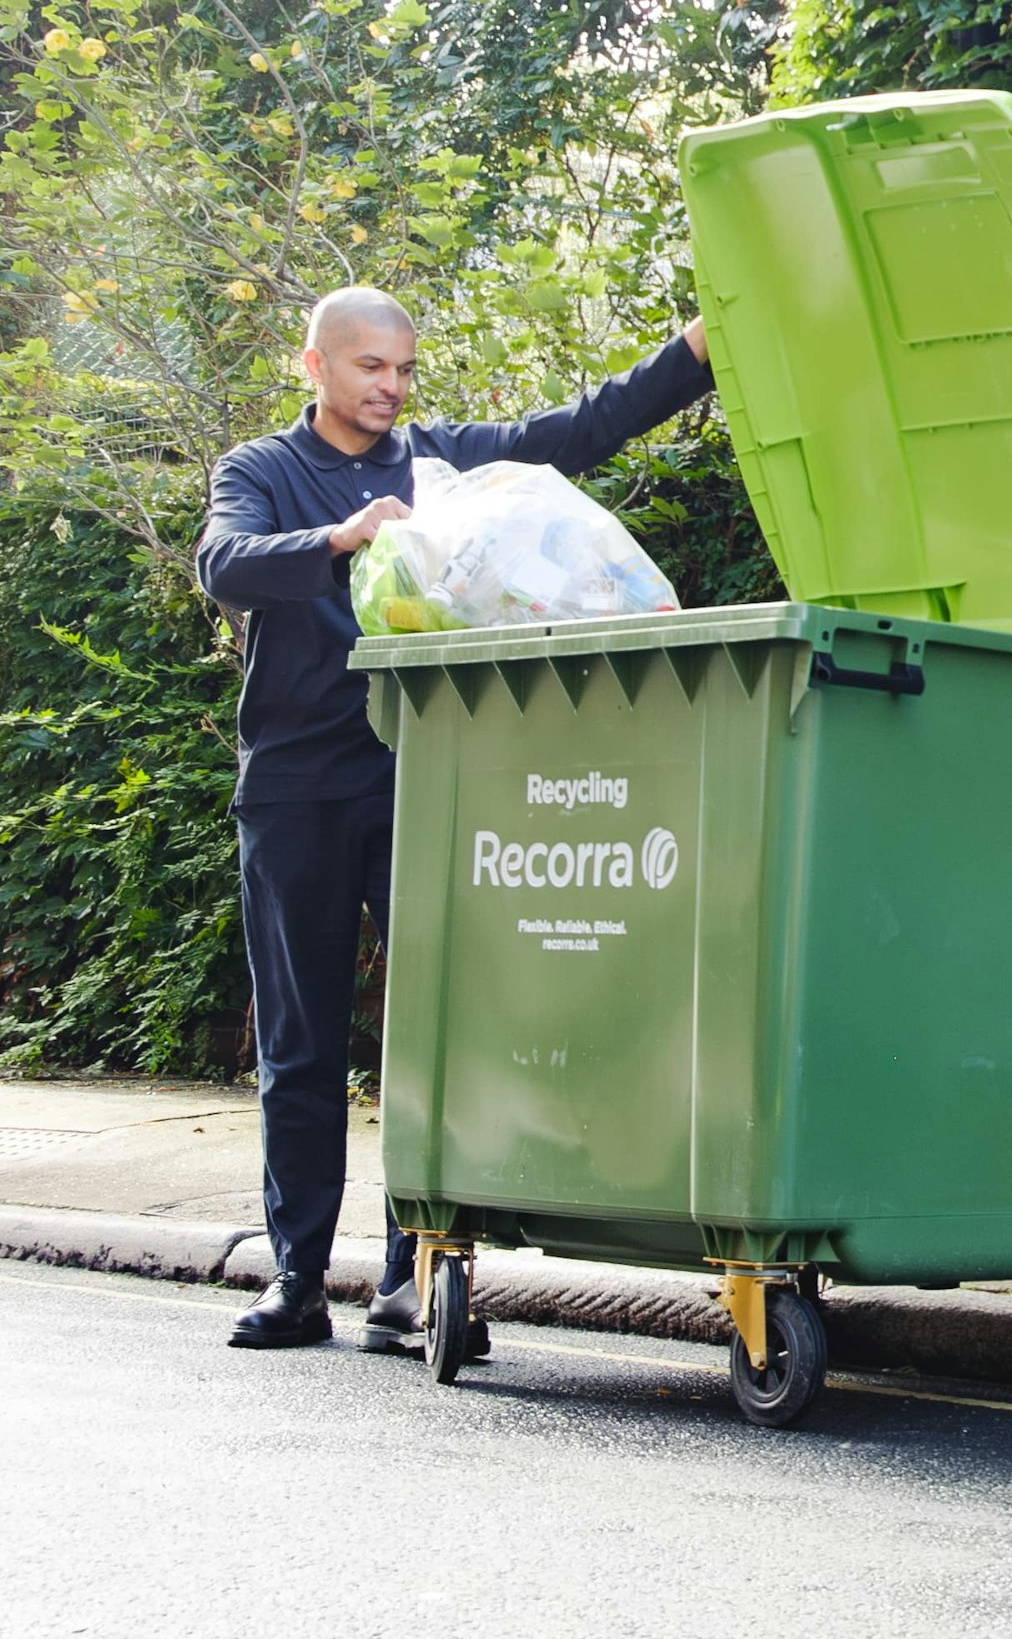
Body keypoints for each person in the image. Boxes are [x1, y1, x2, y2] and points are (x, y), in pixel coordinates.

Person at [194, 287, 716, 1348]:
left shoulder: (441, 467)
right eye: (366, 368)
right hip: (295, 788)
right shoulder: (260, 471)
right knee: (300, 1048)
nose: (387, 389)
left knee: (428, 1044)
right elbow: (221, 564)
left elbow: (571, 432)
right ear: (314, 366)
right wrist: (339, 538)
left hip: (426, 780)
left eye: (400, 370)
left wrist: (697, 350)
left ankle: (410, 1279)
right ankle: (295, 1280)